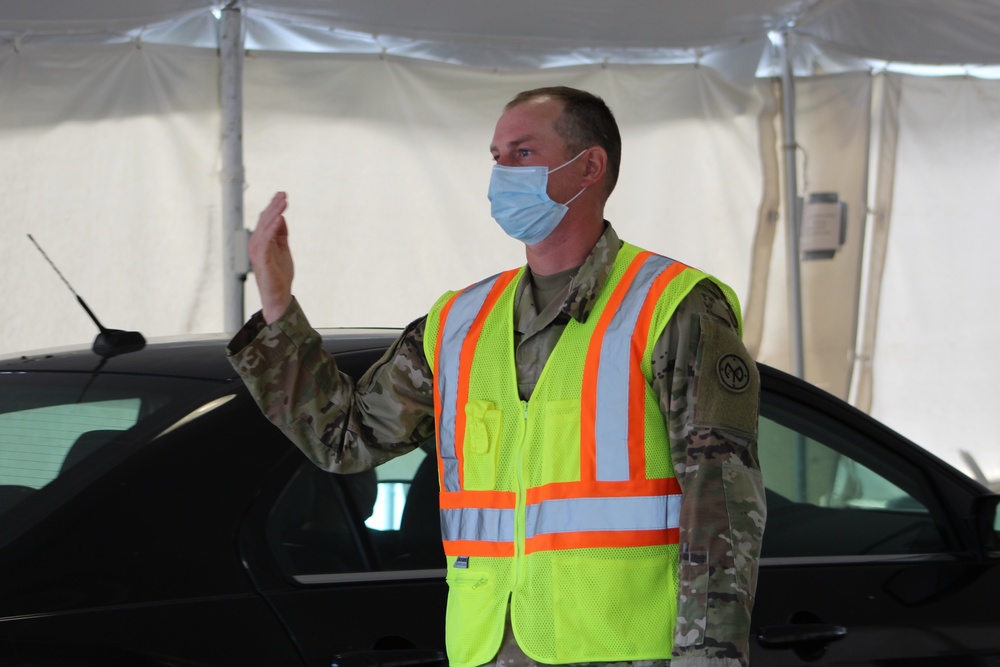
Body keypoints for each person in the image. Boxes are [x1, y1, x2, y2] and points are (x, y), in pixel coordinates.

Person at [228, 86, 765, 667]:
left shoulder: (673, 306)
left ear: (590, 166)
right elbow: (344, 438)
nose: (502, 173)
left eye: (523, 153)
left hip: (627, 650)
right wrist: (278, 304)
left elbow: (721, 506)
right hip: (486, 650)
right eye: (496, 157)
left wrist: (707, 658)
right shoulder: (458, 321)